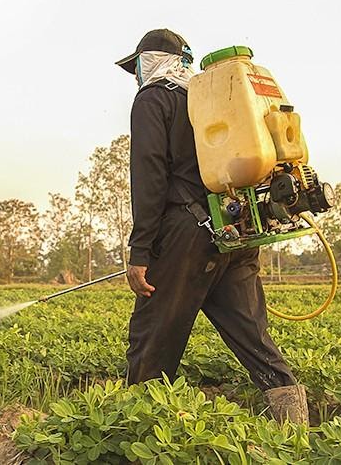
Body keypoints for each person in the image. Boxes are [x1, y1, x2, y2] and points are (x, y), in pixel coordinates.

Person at [115, 28, 309, 424]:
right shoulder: (214, 102)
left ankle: (136, 431)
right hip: (235, 230)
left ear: (148, 62)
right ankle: (296, 429)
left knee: (151, 338)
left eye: (135, 66)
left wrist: (140, 252)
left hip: (185, 237)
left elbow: (149, 177)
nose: (135, 76)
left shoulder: (154, 99)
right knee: (254, 338)